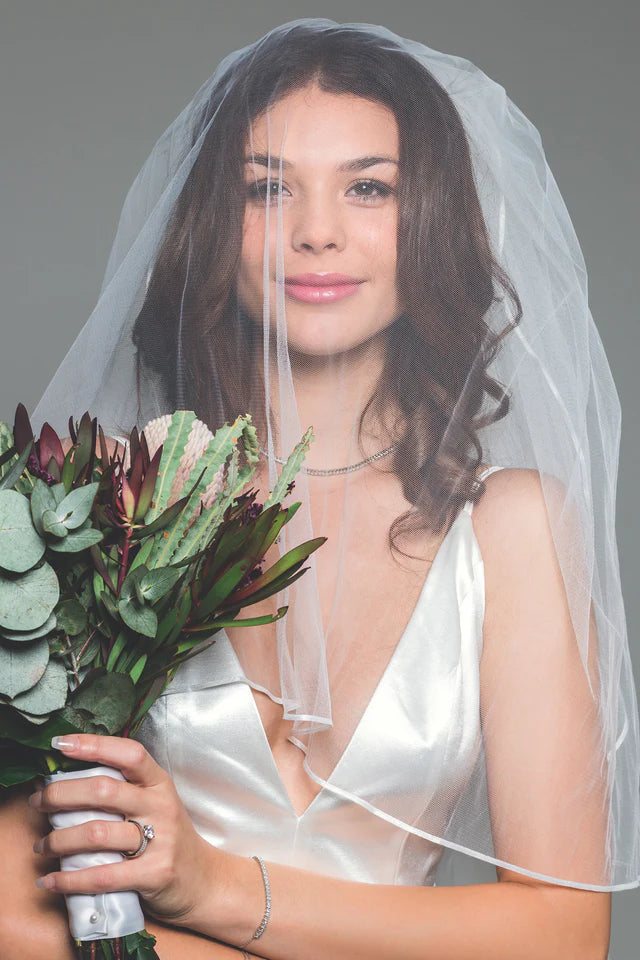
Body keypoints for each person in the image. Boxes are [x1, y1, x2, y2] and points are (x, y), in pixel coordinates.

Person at [2, 18, 638, 959]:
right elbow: (11, 913)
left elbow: (565, 934)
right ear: (214, 223)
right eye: (268, 188)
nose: (316, 232)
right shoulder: (104, 500)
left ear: (432, 222)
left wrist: (216, 889)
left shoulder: (515, 528)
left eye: (369, 187)